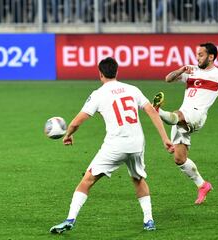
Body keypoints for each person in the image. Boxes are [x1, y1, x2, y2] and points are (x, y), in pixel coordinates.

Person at [50, 57, 174, 234]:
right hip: (137, 143)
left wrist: (68, 134)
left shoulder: (98, 94)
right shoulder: (133, 89)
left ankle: (70, 219)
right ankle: (149, 220)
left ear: (100, 74)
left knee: (87, 180)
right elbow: (151, 111)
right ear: (117, 72)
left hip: (115, 145)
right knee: (138, 179)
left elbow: (77, 121)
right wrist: (165, 138)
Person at [152, 42, 218, 205]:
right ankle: (202, 185)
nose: (197, 58)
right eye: (197, 54)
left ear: (211, 57)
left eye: (201, 55)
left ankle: (157, 111)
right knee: (179, 159)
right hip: (184, 114)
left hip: (197, 115)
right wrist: (181, 70)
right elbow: (168, 79)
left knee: (177, 115)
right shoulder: (191, 71)